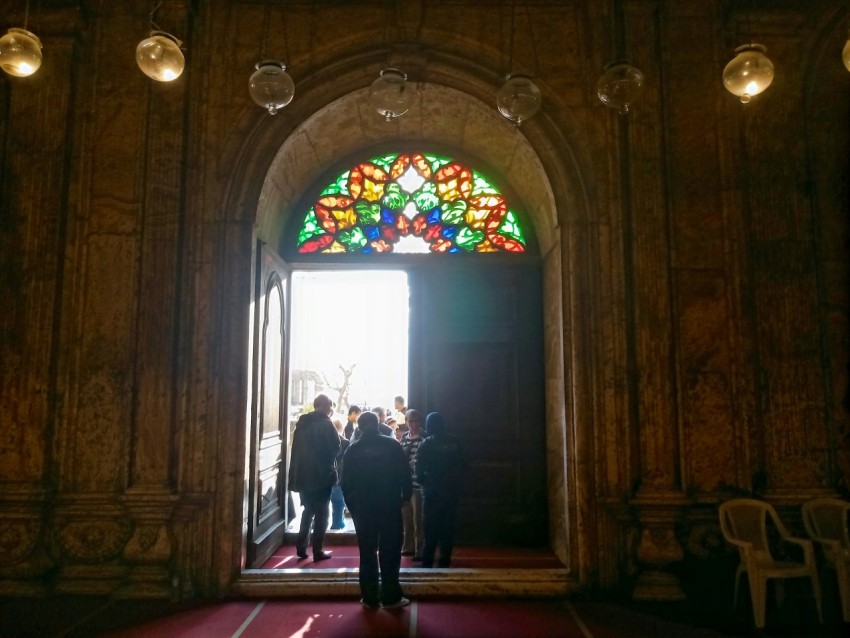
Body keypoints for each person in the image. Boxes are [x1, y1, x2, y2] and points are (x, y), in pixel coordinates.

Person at [341, 411, 413, 609]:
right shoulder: (392, 445)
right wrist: (405, 499)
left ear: (360, 427)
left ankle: (370, 597)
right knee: (390, 551)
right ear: (378, 424)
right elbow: (405, 474)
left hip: (364, 509)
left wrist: (353, 507)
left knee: (367, 553)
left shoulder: (353, 449)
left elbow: (345, 483)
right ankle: (391, 597)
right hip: (389, 506)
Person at [287, 394, 340, 561]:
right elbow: (336, 448)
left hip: (303, 475)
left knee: (308, 510)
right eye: (330, 406)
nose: (331, 409)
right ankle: (318, 550)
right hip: (321, 475)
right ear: (325, 406)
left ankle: (301, 547)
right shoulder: (326, 424)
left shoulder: (302, 424)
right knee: (322, 514)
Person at [415, 411, 466, 568]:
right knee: (448, 526)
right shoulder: (455, 442)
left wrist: (425, 483)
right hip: (451, 491)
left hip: (432, 492)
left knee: (430, 527)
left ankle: (427, 561)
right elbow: (464, 466)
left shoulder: (426, 444)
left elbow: (419, 470)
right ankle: (445, 560)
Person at [399, 408, 426, 560]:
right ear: (406, 422)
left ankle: (419, 549)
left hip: (418, 484)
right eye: (411, 421)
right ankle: (408, 546)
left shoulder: (424, 438)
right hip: (405, 483)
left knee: (418, 519)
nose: (414, 424)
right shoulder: (404, 438)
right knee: (407, 518)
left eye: (416, 421)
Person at [329, 418, 350, 530]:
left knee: (320, 504)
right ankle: (337, 525)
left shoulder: (323, 441)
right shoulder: (345, 442)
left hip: (324, 476)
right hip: (339, 477)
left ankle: (316, 525)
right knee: (338, 503)